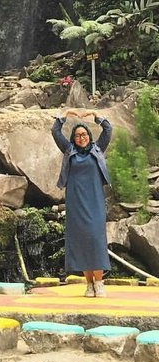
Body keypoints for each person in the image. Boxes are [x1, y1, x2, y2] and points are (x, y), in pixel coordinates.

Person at [51, 108, 113, 297]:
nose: (81, 137)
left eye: (84, 134)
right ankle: (89, 284)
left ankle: (99, 282)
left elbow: (108, 130)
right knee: (81, 242)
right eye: (78, 135)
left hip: (95, 201)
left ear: (89, 135)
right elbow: (55, 131)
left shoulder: (97, 148)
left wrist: (95, 115)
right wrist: (66, 113)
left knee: (96, 239)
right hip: (75, 202)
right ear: (73, 138)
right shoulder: (69, 150)